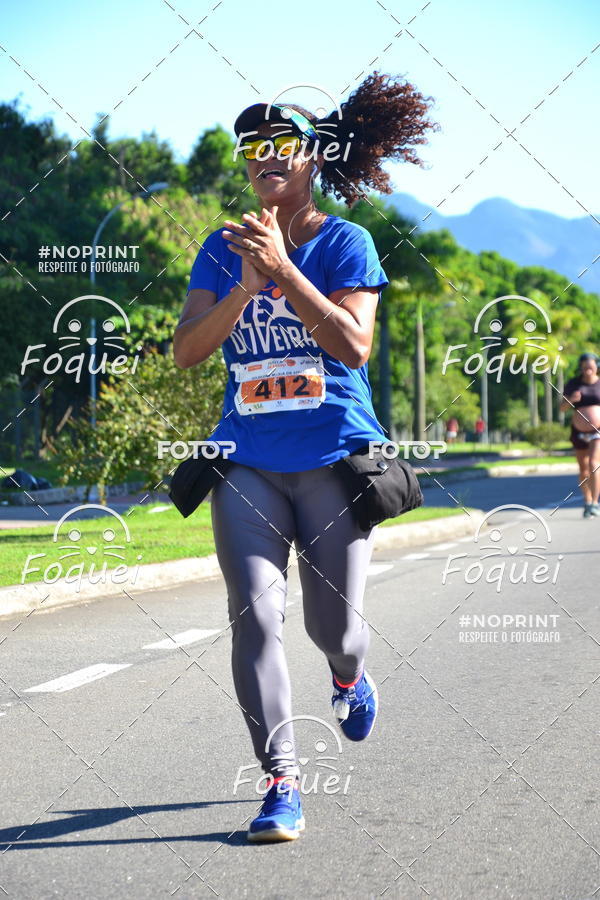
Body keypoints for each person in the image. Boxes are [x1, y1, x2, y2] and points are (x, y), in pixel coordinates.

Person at [173, 71, 436, 842]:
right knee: (254, 618)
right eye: (251, 146)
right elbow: (188, 351)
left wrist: (286, 274)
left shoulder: (346, 242)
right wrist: (244, 289)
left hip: (331, 457)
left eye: (281, 143)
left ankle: (349, 677)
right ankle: (281, 782)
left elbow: (354, 344)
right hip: (248, 458)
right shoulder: (220, 252)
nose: (265, 156)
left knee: (336, 629)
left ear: (312, 156)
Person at [560, 352, 600, 518]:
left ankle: (595, 503)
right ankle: (587, 500)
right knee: (583, 469)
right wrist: (571, 399)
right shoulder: (573, 384)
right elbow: (562, 408)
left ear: (596, 366)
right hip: (578, 432)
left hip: (598, 431)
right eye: (584, 367)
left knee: (593, 463)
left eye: (590, 366)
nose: (587, 370)